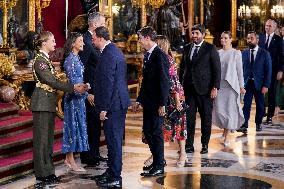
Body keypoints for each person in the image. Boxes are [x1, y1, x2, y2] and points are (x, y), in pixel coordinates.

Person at [31, 31, 86, 184]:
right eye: (52, 40)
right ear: (44, 43)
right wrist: (73, 87)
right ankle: (42, 173)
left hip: (48, 103)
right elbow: (51, 81)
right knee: (42, 140)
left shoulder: (45, 59)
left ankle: (48, 171)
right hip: (42, 103)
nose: (55, 43)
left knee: (47, 141)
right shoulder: (40, 61)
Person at [91, 26, 131, 188]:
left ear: (101, 38)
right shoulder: (113, 51)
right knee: (112, 141)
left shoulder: (108, 54)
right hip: (117, 102)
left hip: (113, 105)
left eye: (93, 38)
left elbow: (108, 84)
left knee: (113, 142)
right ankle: (111, 171)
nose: (92, 40)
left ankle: (115, 176)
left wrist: (104, 108)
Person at [144, 35, 187, 168]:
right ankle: (157, 155)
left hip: (174, 98)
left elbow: (173, 82)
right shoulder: (152, 57)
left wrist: (177, 101)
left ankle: (183, 154)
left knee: (178, 126)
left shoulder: (167, 60)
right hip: (160, 96)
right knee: (159, 128)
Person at [132, 26, 170, 177]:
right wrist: (139, 100)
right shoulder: (148, 54)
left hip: (157, 103)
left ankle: (159, 165)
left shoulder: (159, 55)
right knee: (148, 132)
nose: (139, 41)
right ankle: (156, 162)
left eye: (140, 38)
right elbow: (146, 82)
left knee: (155, 133)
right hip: (148, 102)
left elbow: (164, 82)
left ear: (147, 38)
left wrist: (162, 104)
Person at [179, 24, 221, 154]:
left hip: (205, 90)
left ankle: (205, 145)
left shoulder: (210, 48)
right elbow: (182, 68)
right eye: (193, 33)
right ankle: (189, 145)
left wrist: (215, 87)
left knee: (206, 118)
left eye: (197, 33)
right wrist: (180, 88)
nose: (194, 36)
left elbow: (217, 69)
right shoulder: (187, 48)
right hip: (189, 89)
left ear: (203, 34)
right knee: (189, 119)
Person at [79, 12, 107, 166]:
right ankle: (88, 156)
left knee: (96, 124)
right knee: (90, 123)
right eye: (103, 23)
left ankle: (95, 154)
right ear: (94, 24)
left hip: (97, 89)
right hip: (89, 91)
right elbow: (80, 69)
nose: (105, 26)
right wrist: (87, 92)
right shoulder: (84, 40)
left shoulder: (96, 39)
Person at [62, 32, 93, 172]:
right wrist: (85, 90)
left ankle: (71, 158)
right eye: (81, 41)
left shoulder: (77, 58)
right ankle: (70, 159)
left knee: (78, 127)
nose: (84, 43)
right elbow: (73, 84)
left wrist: (85, 91)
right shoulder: (70, 60)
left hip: (79, 99)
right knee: (72, 128)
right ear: (73, 43)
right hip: (72, 99)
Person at [212, 31, 245, 146]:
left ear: (231, 39)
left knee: (229, 111)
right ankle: (225, 130)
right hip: (220, 86)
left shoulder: (236, 53)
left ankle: (226, 136)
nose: (223, 40)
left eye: (226, 38)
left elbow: (239, 71)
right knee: (221, 111)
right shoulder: (217, 52)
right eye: (221, 38)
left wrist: (241, 86)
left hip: (231, 87)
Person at [238, 31, 272, 133]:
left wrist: (266, 85)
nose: (249, 40)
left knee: (260, 105)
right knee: (246, 105)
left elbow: (268, 70)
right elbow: (240, 70)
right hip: (247, 84)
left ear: (257, 40)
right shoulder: (243, 53)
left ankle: (258, 123)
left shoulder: (265, 53)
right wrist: (240, 84)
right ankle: (244, 125)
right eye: (248, 38)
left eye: (251, 38)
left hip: (260, 84)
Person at [258, 19, 284, 124]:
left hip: (273, 70)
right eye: (266, 26)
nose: (267, 28)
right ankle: (261, 113)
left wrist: (281, 70)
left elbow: (282, 56)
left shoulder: (278, 39)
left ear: (274, 27)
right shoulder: (261, 37)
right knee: (260, 92)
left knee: (272, 93)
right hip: (261, 70)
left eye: (269, 26)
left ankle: (270, 115)